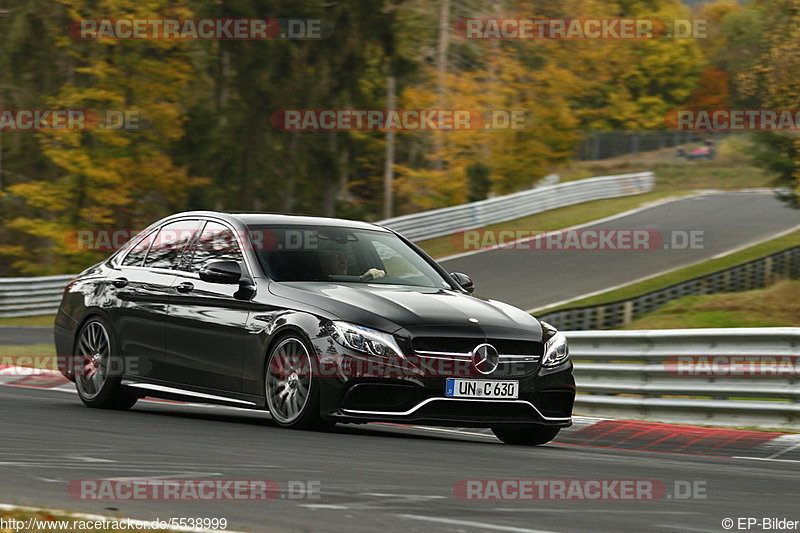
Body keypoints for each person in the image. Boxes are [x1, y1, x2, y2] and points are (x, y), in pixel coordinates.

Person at [319, 249, 385, 280]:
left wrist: (375, 274)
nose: (343, 261)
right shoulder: (317, 284)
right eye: (337, 256)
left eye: (345, 257)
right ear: (324, 262)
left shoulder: (356, 280)